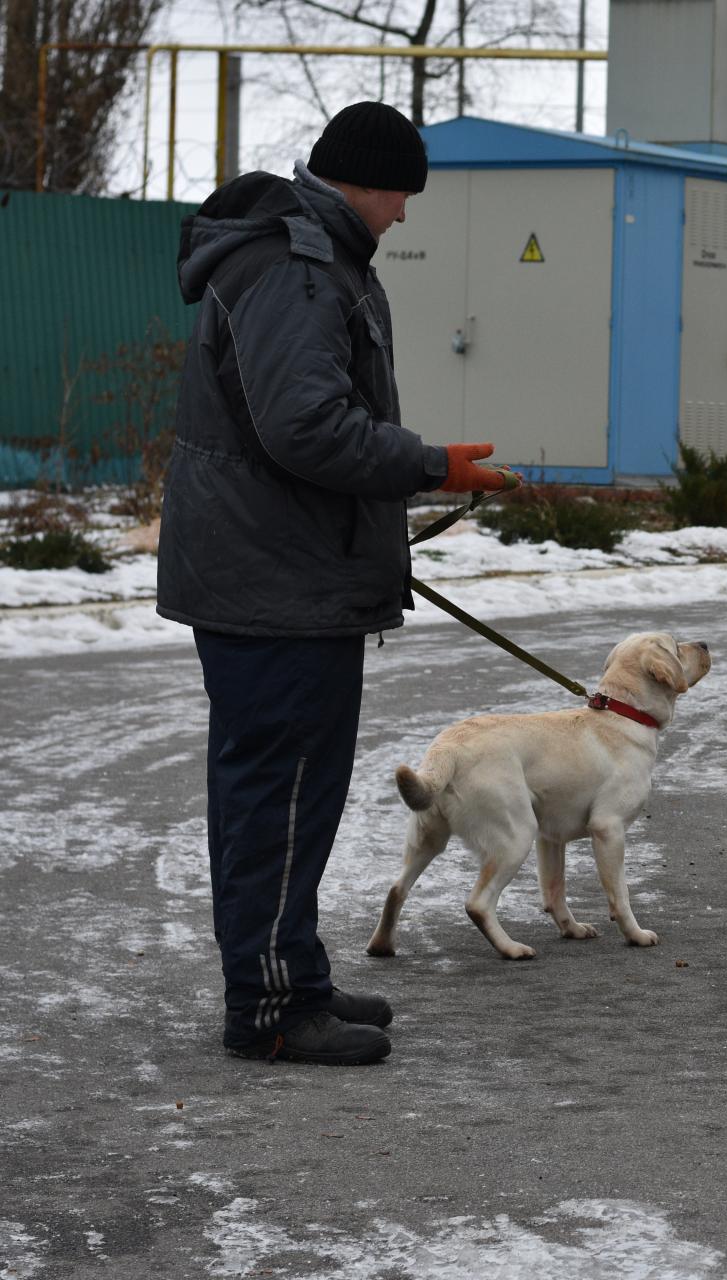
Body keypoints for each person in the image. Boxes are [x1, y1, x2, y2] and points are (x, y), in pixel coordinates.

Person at [158, 102, 516, 1066]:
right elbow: (304, 426)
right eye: (401, 195)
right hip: (276, 582)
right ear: (366, 182)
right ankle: (272, 1008)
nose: (404, 215)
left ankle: (292, 975)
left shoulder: (305, 257)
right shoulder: (299, 269)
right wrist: (430, 463)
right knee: (279, 798)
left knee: (281, 796)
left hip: (277, 573)